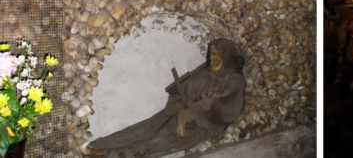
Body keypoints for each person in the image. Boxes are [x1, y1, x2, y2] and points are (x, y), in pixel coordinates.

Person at [88, 38, 245, 157]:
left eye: (217, 55)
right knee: (148, 127)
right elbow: (187, 87)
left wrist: (187, 115)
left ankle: (112, 155)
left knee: (157, 140)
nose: (213, 59)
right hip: (180, 111)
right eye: (211, 55)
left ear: (227, 57)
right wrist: (175, 107)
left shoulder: (234, 80)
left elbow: (218, 105)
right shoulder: (206, 70)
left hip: (202, 124)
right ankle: (100, 145)